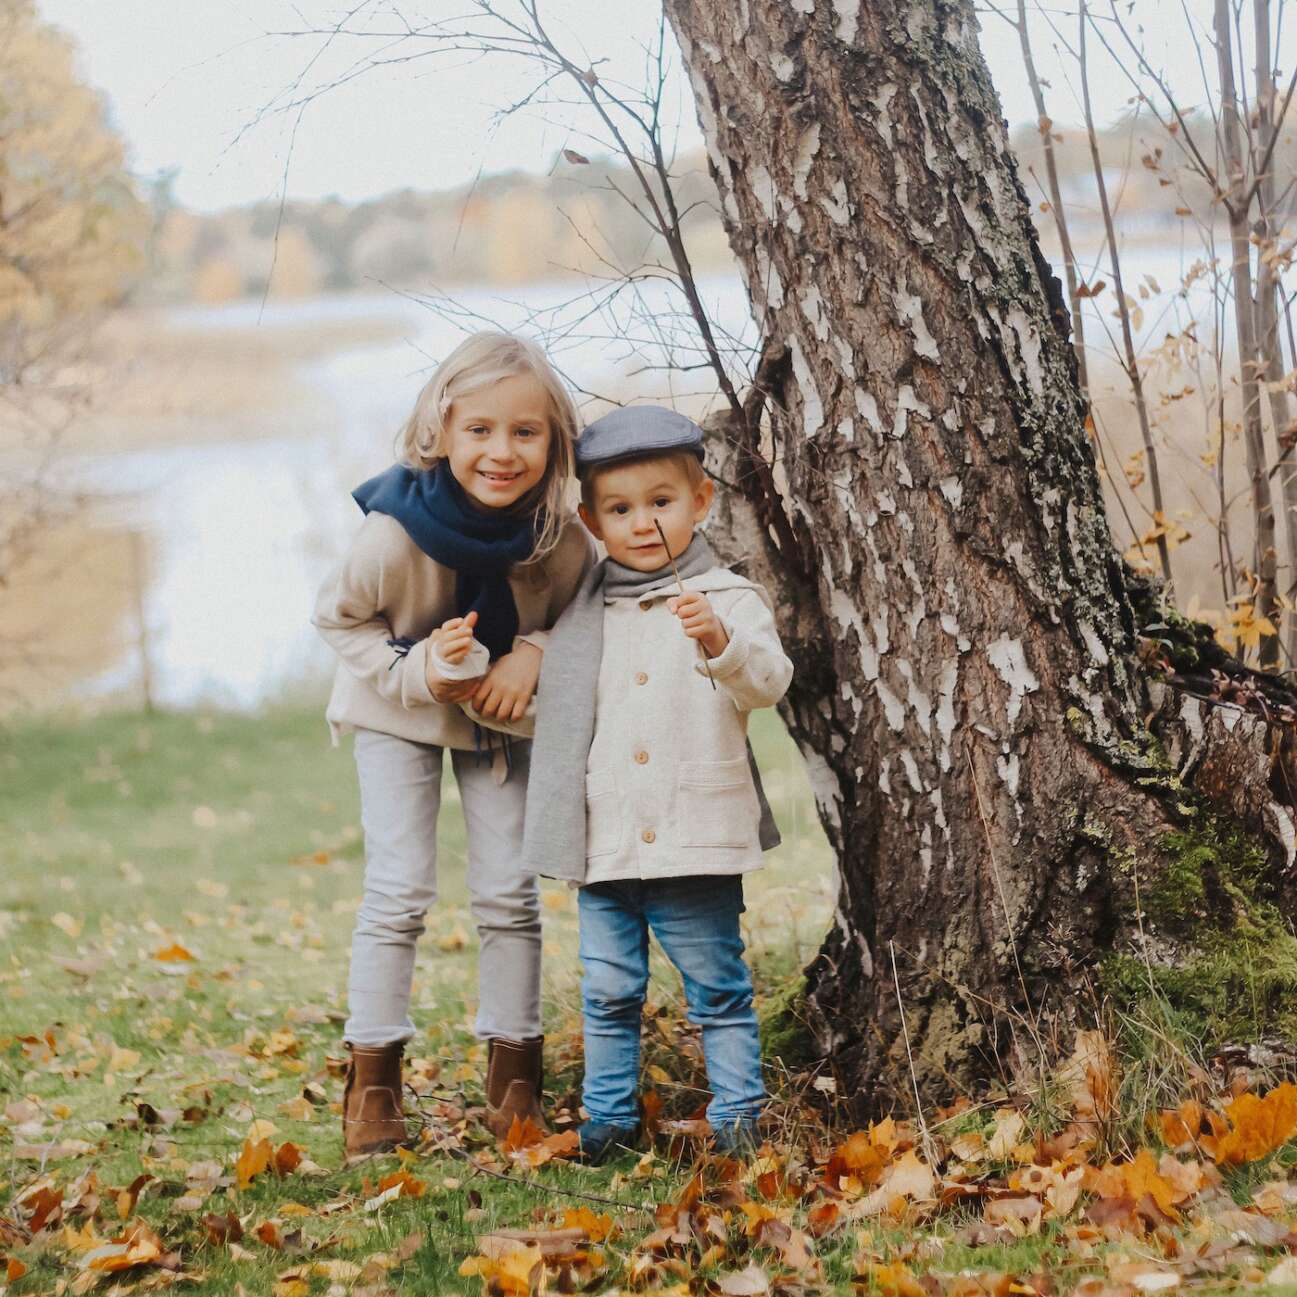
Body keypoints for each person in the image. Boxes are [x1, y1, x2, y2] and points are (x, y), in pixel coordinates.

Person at [312, 331, 594, 1159]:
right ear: (440, 429)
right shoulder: (394, 533)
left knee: (509, 891)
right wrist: (414, 670)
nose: (501, 452)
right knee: (397, 890)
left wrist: (536, 649)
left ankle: (514, 1080)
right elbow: (338, 619)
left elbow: (589, 605)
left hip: (500, 716)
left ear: (554, 441)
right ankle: (373, 1086)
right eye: (479, 430)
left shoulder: (557, 533)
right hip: (398, 705)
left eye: (524, 432)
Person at [524, 405, 794, 1163]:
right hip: (604, 842)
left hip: (694, 836)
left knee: (717, 984)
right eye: (620, 509)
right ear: (591, 521)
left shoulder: (729, 598)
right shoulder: (582, 614)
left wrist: (718, 640)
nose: (642, 523)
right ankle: (607, 1120)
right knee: (608, 991)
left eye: (661, 502)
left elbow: (767, 683)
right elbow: (567, 715)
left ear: (701, 501)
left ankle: (739, 1114)